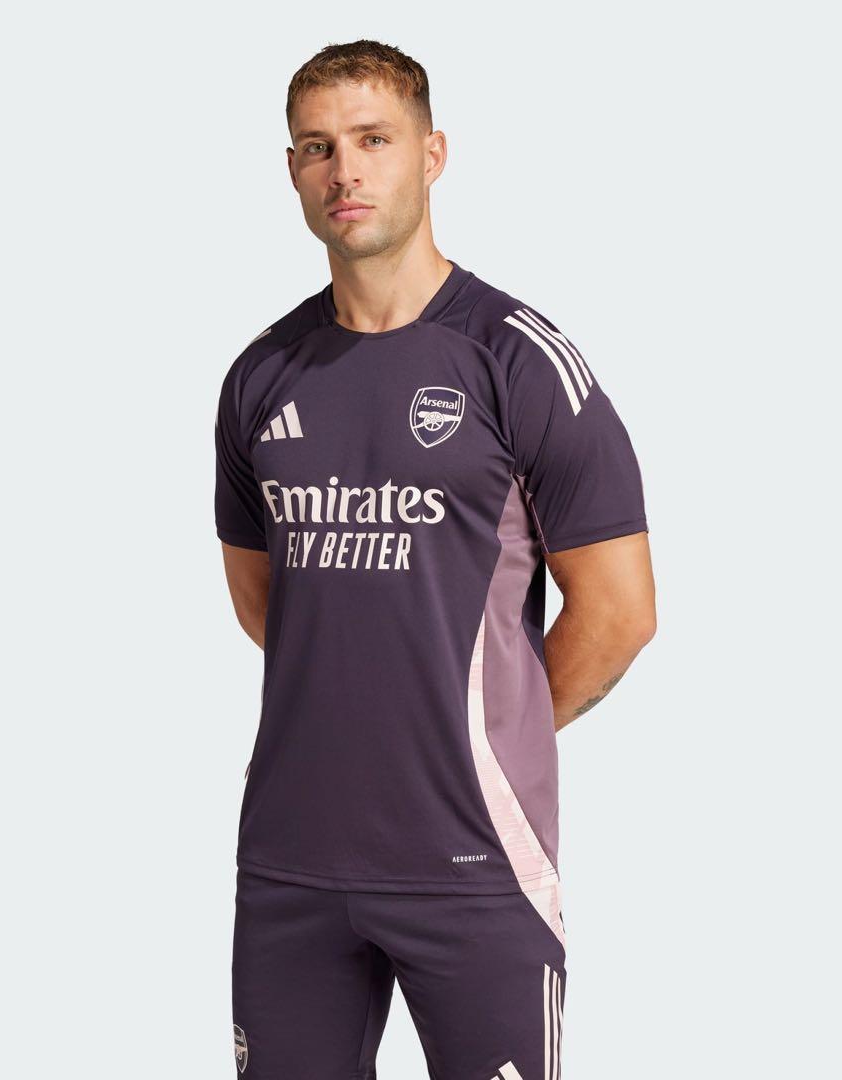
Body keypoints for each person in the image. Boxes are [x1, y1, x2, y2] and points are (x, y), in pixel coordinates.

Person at [214, 39, 656, 1080]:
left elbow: (620, 612)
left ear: (432, 154)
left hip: (475, 866)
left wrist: (485, 738)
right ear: (293, 170)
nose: (345, 171)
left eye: (374, 140)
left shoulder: (517, 360)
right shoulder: (261, 375)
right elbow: (267, 602)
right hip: (290, 865)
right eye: (318, 148)